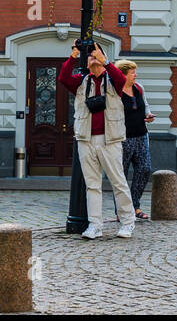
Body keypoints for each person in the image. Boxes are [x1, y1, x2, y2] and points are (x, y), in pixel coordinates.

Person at [59, 43, 135, 240]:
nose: (92, 58)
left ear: (103, 58)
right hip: (86, 139)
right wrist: (74, 54)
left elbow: (121, 78)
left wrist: (105, 61)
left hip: (110, 140)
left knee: (118, 182)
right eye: (90, 56)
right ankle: (95, 225)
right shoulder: (82, 81)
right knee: (92, 185)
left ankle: (127, 222)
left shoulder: (113, 80)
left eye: (95, 55)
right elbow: (64, 78)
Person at [114, 60, 155, 221]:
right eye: (132, 72)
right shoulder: (115, 91)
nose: (135, 75)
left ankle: (135, 205)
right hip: (123, 138)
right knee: (120, 175)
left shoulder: (139, 88)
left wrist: (148, 115)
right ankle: (121, 211)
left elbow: (145, 106)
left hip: (141, 136)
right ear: (123, 74)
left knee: (145, 169)